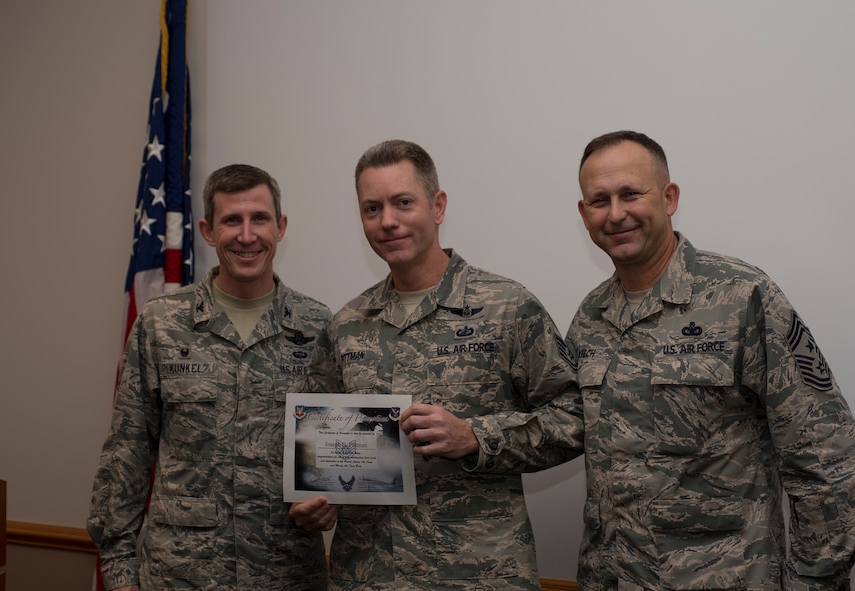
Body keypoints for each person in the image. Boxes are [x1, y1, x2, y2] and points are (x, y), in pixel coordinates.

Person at [290, 139, 581, 590]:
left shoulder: (506, 307)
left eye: (403, 203)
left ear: (438, 206)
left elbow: (575, 418)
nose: (388, 221)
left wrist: (476, 437)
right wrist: (312, 501)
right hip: (368, 575)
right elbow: (313, 446)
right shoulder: (346, 325)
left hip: (479, 574)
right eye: (372, 208)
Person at [569, 130, 855, 589]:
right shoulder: (590, 316)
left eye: (630, 194)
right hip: (612, 578)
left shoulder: (742, 296)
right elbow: (564, 427)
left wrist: (816, 582)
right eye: (599, 200)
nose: (616, 213)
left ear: (669, 197)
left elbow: (826, 455)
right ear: (583, 215)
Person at [88, 164, 333, 590]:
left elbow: (338, 447)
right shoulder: (160, 323)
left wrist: (333, 504)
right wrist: (120, 572)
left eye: (260, 218)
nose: (246, 234)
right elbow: (127, 452)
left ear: (281, 227)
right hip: (180, 573)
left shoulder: (316, 326)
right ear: (207, 230)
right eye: (231, 220)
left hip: (285, 572)